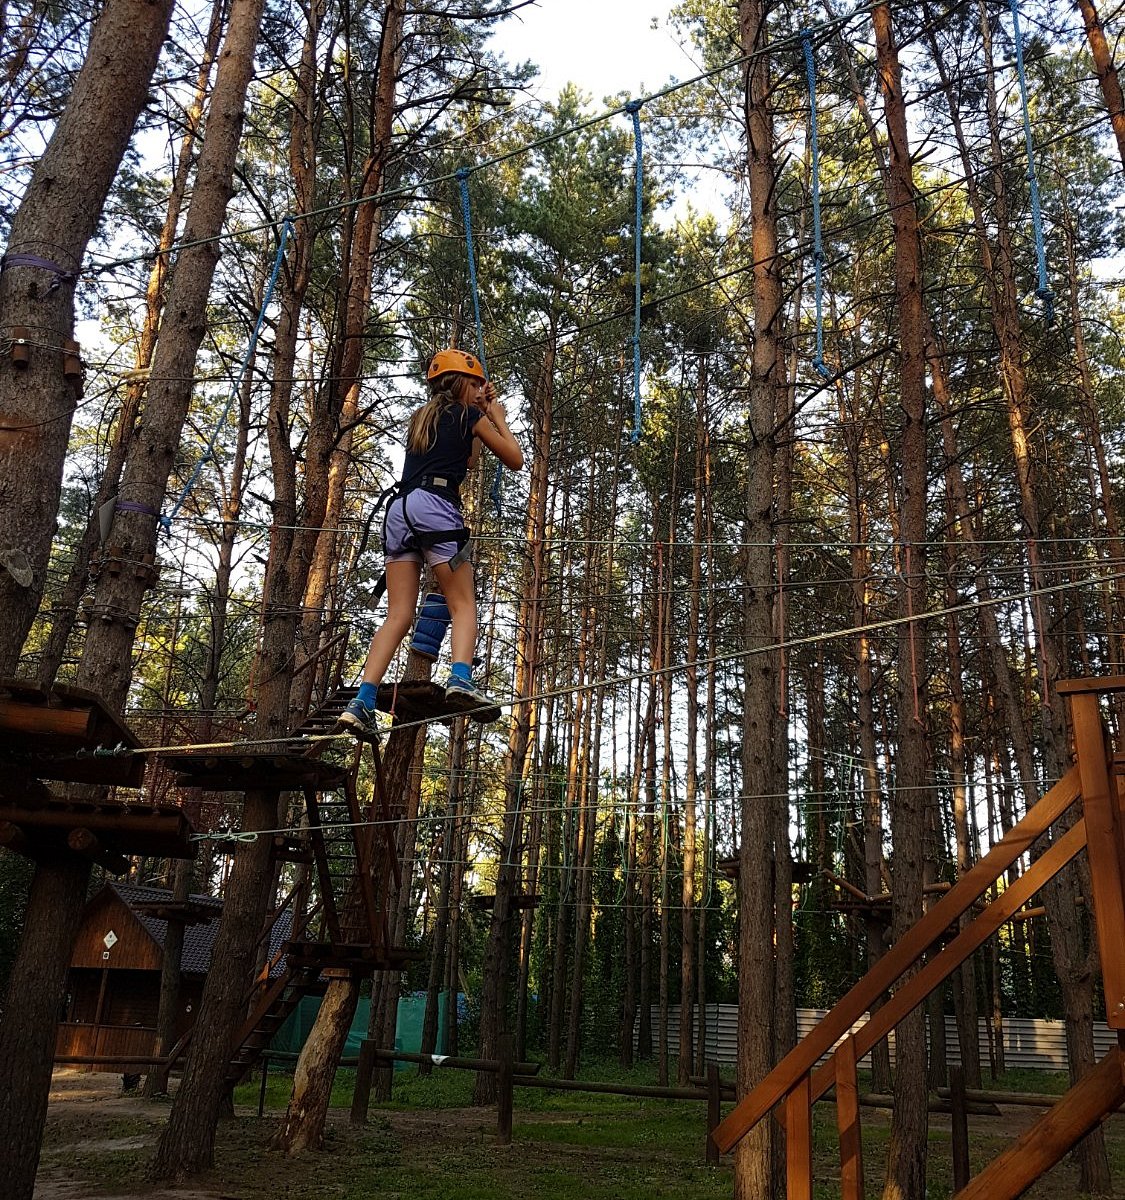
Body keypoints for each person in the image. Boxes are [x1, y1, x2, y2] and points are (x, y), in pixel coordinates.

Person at [338, 348, 524, 733]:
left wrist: (481, 417)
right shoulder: (470, 414)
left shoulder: (423, 418)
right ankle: (460, 678)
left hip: (400, 510)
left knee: (398, 615)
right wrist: (498, 418)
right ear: (464, 384)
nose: (479, 390)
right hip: (435, 507)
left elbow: (469, 462)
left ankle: (362, 701)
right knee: (463, 605)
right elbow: (515, 458)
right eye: (476, 384)